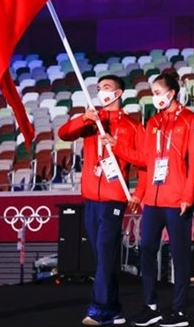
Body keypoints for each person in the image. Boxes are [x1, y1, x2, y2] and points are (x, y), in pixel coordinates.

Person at [58, 75, 145, 326]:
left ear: (118, 93)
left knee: (106, 250)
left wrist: (138, 192)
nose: (101, 92)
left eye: (106, 88)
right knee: (102, 256)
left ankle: (98, 309)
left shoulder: (131, 125)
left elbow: (144, 162)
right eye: (99, 89)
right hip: (90, 198)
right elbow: (64, 134)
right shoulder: (93, 120)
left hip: (114, 198)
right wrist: (83, 118)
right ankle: (115, 308)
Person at [130, 73, 194, 327]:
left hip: (177, 200)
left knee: (179, 255)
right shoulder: (153, 122)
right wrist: (116, 145)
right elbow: (146, 160)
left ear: (171, 93)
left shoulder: (189, 120)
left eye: (158, 92)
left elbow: (193, 163)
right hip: (153, 200)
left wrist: (188, 196)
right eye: (153, 93)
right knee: (146, 250)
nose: (155, 97)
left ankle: (179, 310)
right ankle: (151, 306)